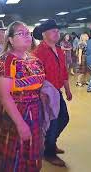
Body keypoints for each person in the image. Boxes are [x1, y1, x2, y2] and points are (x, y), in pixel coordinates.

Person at [0, 21, 45, 172]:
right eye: (21, 33)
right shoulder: (4, 62)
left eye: (28, 33)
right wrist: (20, 123)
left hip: (34, 110)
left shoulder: (35, 61)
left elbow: (39, 88)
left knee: (31, 152)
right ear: (10, 40)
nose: (27, 36)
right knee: (13, 155)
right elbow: (4, 96)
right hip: (15, 112)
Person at [33, 19, 72, 167]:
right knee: (52, 122)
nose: (57, 33)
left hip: (57, 91)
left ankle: (50, 143)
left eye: (58, 30)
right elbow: (36, 77)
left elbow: (64, 72)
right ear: (44, 34)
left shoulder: (60, 50)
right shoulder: (38, 53)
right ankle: (48, 153)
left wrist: (67, 89)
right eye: (53, 31)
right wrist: (40, 94)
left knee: (64, 118)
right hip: (46, 94)